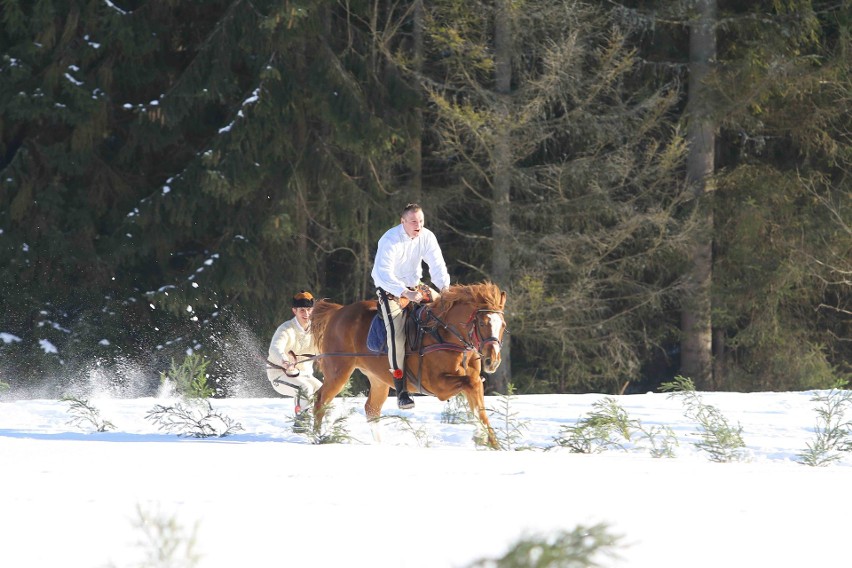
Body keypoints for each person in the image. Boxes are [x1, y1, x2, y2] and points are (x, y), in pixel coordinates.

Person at [371, 203, 451, 409]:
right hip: (391, 291)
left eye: (421, 221)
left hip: (416, 286)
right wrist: (405, 293)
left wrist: (445, 291)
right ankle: (401, 390)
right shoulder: (389, 239)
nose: (418, 225)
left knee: (448, 314)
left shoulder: (427, 237)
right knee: (397, 335)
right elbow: (384, 274)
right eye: (414, 221)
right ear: (403, 222)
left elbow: (437, 265)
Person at [266, 290, 321, 414]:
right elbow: (275, 348)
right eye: (302, 310)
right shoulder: (286, 329)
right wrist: (284, 361)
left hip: (305, 376)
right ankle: (301, 425)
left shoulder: (315, 330)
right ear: (294, 311)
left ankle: (320, 427)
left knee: (324, 392)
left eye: (309, 309)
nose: (306, 313)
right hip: (280, 375)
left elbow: (322, 350)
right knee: (305, 389)